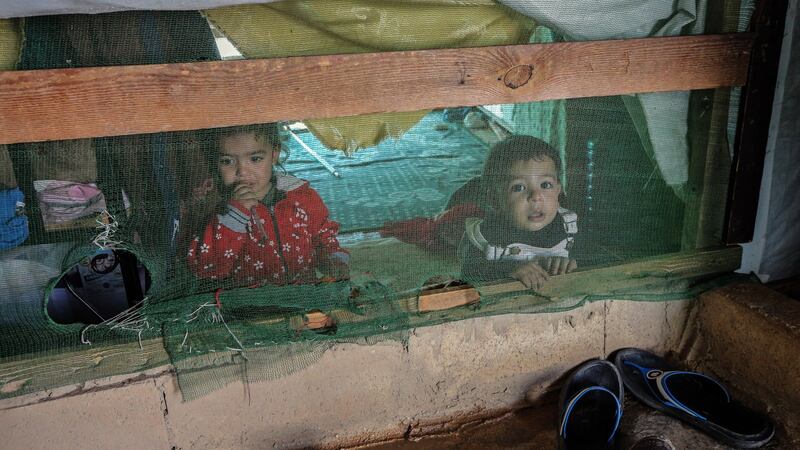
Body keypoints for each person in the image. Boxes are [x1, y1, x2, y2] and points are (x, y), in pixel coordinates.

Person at [187, 123, 349, 285]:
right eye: (227, 161)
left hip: (304, 297)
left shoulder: (302, 196)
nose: (242, 172)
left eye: (255, 159)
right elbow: (205, 268)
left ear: (274, 154)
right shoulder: (215, 208)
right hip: (247, 306)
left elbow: (324, 235)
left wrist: (333, 259)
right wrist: (233, 217)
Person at [459, 135, 577, 290]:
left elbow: (594, 258)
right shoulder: (487, 236)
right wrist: (507, 270)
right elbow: (468, 276)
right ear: (495, 200)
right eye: (519, 187)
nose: (536, 197)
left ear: (558, 190)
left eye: (545, 185)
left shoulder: (568, 226)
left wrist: (572, 262)